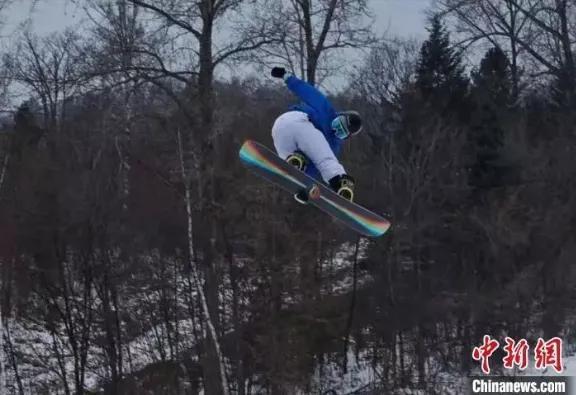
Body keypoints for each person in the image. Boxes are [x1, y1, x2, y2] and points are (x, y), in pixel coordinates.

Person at [270, 67, 363, 203]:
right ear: (339, 115)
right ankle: (340, 181)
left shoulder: (331, 144)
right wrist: (287, 77)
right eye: (339, 123)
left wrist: (303, 189)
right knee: (326, 160)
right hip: (298, 121)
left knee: (300, 162)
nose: (336, 130)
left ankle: (297, 161)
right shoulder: (327, 112)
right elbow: (309, 93)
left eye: (341, 132)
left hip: (279, 131)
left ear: (346, 137)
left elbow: (314, 167)